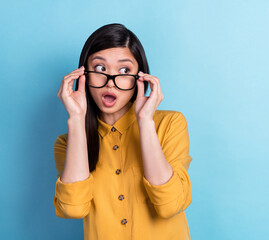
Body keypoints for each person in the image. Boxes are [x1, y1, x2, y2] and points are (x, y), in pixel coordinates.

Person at [53, 23, 192, 240]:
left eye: (124, 70)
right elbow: (73, 208)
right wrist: (77, 119)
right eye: (100, 69)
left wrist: (145, 121)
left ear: (140, 78)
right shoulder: (67, 143)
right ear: (83, 76)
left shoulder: (171, 124)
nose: (111, 83)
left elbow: (169, 205)